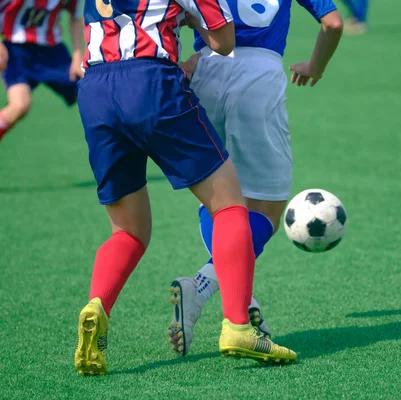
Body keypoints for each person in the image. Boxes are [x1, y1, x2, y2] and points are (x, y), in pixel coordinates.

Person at [73, 0, 296, 376]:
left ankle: (96, 306)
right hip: (151, 82)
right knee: (228, 203)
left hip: (95, 91)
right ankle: (238, 327)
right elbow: (224, 42)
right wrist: (193, 21)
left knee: (128, 231)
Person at [167, 0, 343, 356]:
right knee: (269, 209)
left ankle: (237, 292)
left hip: (205, 70)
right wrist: (315, 66)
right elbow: (334, 24)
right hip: (258, 76)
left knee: (219, 197)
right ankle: (201, 289)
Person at [0, 0, 85, 191]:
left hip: (53, 53)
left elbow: (76, 17)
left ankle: (124, 153)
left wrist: (78, 57)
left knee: (90, 94)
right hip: (16, 50)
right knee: (19, 106)